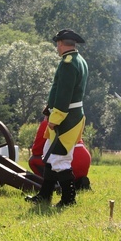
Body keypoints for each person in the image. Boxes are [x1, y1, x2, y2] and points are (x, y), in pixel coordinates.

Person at [25, 29, 89, 207]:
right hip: (68, 115)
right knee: (49, 154)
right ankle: (44, 195)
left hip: (66, 118)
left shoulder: (68, 63)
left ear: (61, 43)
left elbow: (64, 94)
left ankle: (69, 199)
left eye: (57, 44)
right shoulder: (79, 60)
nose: (56, 48)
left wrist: (55, 117)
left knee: (60, 159)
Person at [29, 117, 91, 190]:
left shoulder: (48, 123)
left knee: (33, 160)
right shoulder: (71, 120)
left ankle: (53, 184)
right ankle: (79, 182)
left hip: (69, 159)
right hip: (84, 157)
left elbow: (36, 151)